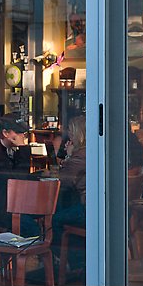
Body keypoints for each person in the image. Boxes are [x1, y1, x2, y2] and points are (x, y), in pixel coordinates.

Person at [0, 113, 33, 231]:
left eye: (23, 132)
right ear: (5, 133)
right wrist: (23, 149)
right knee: (30, 227)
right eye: (18, 132)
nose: (22, 135)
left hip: (7, 203)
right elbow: (18, 179)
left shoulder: (9, 150)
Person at [52, 115, 87, 276]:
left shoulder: (80, 156)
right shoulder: (95, 151)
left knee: (56, 218)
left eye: (72, 133)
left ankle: (71, 261)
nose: (69, 136)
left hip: (89, 210)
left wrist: (69, 156)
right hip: (102, 208)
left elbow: (64, 182)